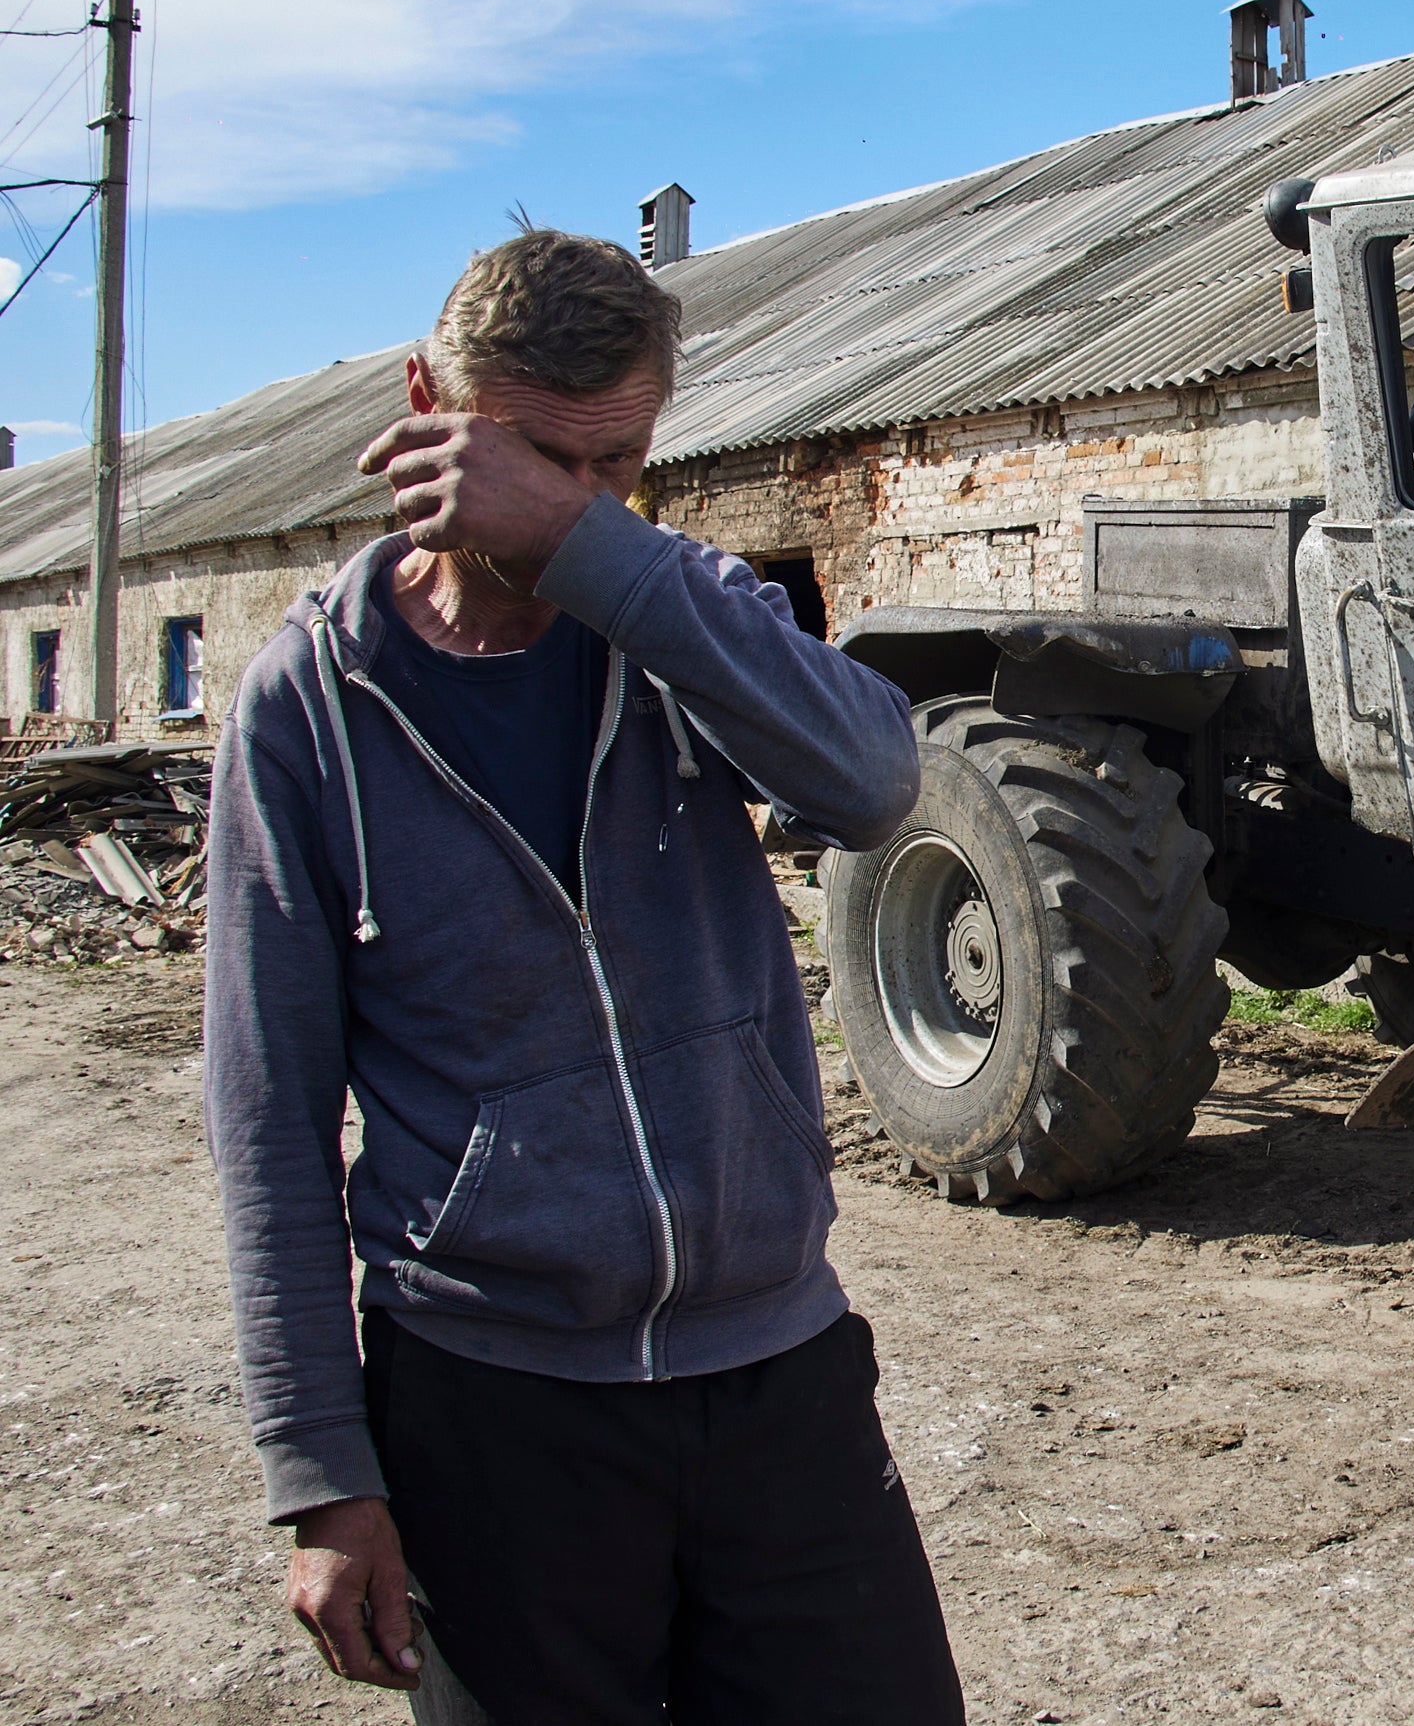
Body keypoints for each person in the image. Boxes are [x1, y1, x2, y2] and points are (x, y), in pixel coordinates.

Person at [202, 226, 962, 1723]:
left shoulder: (674, 613)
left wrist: (592, 546)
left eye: (618, 465)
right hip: (493, 1400)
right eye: (540, 456)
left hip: (776, 1368)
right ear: (427, 399)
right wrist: (321, 1473)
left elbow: (877, 782)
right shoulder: (315, 704)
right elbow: (267, 1114)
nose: (580, 496)